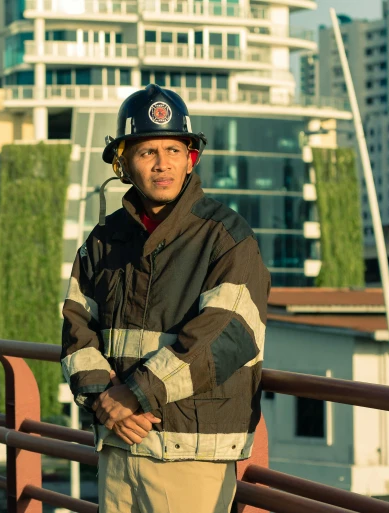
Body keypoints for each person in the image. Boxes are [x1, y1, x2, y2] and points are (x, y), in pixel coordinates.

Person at [61, 84, 271, 513]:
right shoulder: (105, 239)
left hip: (191, 455)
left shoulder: (226, 236)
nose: (163, 165)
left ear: (191, 157)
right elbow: (76, 327)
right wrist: (105, 398)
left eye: (174, 150)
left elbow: (227, 336)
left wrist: (132, 395)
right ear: (123, 163)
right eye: (147, 152)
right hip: (120, 446)